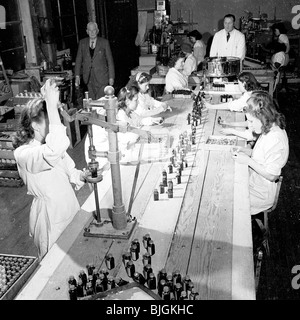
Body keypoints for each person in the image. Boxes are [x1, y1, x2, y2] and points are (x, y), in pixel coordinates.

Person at [12, 79, 90, 260]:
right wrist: (51, 105)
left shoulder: (50, 146)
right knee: (55, 263)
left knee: (77, 252)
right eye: (50, 120)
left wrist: (83, 176)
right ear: (34, 125)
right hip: (51, 218)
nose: (55, 126)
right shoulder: (24, 154)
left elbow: (71, 172)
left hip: (69, 207)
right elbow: (55, 148)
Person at [231, 90, 289, 217]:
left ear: (262, 116)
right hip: (255, 182)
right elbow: (262, 156)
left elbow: (272, 175)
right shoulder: (269, 128)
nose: (250, 126)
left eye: (251, 122)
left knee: (228, 201)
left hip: (262, 193)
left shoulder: (275, 138)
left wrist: (247, 161)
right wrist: (243, 151)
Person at [75, 22, 115, 100]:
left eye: (94, 30)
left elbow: (110, 61)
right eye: (90, 30)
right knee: (91, 101)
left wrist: (111, 77)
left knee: (101, 101)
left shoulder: (104, 42)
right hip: (88, 78)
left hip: (102, 77)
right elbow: (78, 60)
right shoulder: (82, 43)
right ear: (87, 31)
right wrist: (77, 75)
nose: (92, 32)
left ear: (97, 31)